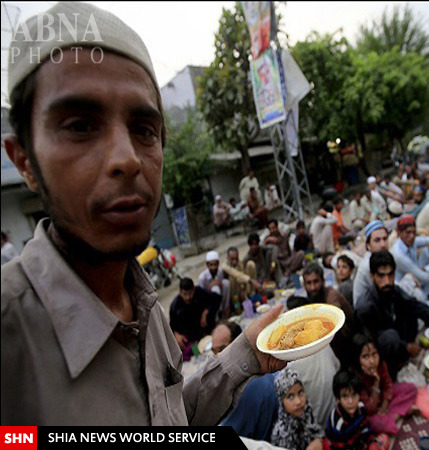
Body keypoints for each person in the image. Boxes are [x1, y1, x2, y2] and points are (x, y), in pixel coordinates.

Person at [1, 2, 286, 426]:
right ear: (23, 160)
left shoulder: (144, 302)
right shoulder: (11, 338)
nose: (127, 159)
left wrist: (246, 353)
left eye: (144, 130)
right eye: (80, 126)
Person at [354, 250, 429, 378]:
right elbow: (369, 343)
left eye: (390, 275)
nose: (387, 281)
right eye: (381, 276)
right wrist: (406, 347)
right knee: (391, 337)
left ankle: (403, 353)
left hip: (393, 338)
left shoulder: (393, 290)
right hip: (374, 353)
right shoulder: (365, 307)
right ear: (372, 276)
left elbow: (419, 308)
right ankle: (392, 373)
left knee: (410, 308)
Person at [353, 334, 418, 436]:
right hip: (371, 412)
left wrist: (385, 403)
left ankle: (392, 414)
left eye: (374, 354)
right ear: (357, 359)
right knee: (378, 424)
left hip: (384, 400)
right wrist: (376, 382)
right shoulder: (356, 378)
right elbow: (370, 409)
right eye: (365, 357)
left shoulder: (381, 365)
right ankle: (398, 414)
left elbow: (389, 384)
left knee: (411, 388)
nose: (372, 361)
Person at [302, 262, 354, 368]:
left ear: (323, 281)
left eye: (316, 282)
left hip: (346, 343)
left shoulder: (331, 295)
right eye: (309, 283)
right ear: (304, 285)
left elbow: (332, 320)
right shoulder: (313, 298)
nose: (312, 287)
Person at [325, 370, 390, 450]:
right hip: (342, 446)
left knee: (384, 439)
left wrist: (372, 441)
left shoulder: (361, 408)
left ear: (359, 395)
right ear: (338, 399)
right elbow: (338, 446)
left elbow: (364, 430)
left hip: (357, 442)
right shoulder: (338, 422)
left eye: (354, 395)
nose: (351, 401)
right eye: (345, 396)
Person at [271, 368, 326, 450]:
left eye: (300, 393)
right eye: (290, 396)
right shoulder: (281, 433)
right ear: (281, 401)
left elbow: (319, 434)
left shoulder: (307, 413)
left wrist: (318, 441)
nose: (298, 402)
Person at [169, 278, 222, 360]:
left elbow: (217, 298)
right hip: (190, 336)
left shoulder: (199, 291)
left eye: (190, 293)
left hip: (205, 328)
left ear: (194, 289)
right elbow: (171, 326)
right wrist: (176, 334)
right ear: (180, 292)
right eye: (184, 294)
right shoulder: (175, 306)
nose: (187, 297)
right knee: (195, 354)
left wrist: (206, 311)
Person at [197, 251, 232, 319]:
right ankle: (217, 317)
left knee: (226, 283)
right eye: (211, 265)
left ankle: (226, 309)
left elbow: (222, 287)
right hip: (208, 302)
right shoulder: (202, 278)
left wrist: (220, 284)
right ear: (207, 265)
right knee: (215, 289)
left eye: (215, 264)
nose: (213, 267)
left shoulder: (219, 272)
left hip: (219, 297)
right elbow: (200, 296)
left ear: (218, 264)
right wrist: (209, 290)